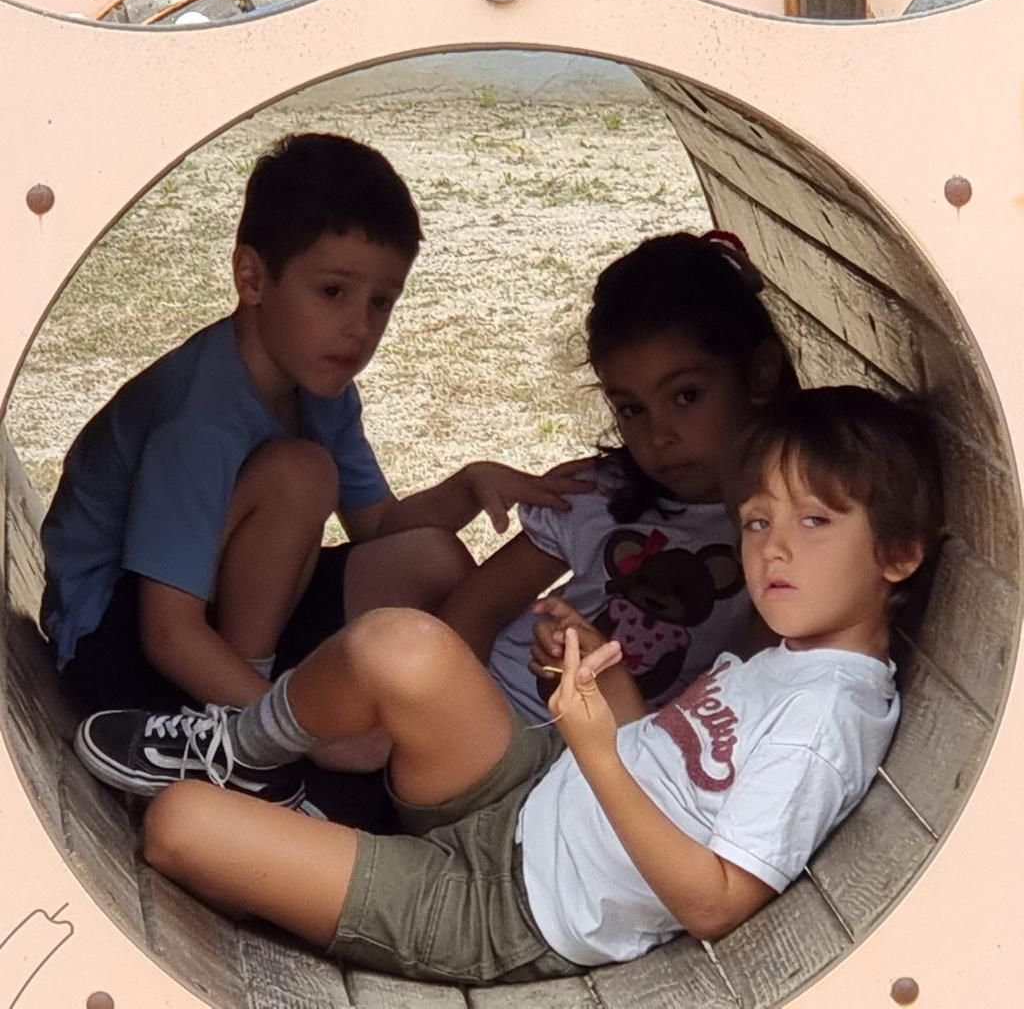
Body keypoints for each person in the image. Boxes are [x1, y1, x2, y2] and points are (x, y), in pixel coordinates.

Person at [73, 384, 944, 982]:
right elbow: (662, 760)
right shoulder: (792, 660)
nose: (773, 548)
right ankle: (246, 749)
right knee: (402, 645)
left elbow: (715, 903)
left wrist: (596, 750)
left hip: (505, 910)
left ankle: (285, 815)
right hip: (528, 785)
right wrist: (600, 673)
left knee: (178, 825)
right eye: (757, 520)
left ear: (899, 554)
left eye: (815, 521)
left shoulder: (826, 720)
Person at [40, 132, 589, 730]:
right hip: (115, 648)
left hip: (220, 613)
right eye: (333, 292)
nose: (358, 328)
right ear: (251, 278)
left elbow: (378, 529)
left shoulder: (321, 391)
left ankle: (433, 722)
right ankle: (240, 739)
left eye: (381, 302)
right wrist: (294, 736)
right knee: (301, 474)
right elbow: (167, 632)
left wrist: (467, 486)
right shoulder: (199, 417)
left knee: (433, 560)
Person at [442, 230, 798, 723]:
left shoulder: (790, 531)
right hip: (496, 712)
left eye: (686, 396)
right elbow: (472, 612)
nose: (659, 435)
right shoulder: (598, 496)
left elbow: (748, 682)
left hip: (619, 761)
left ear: (759, 374)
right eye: (631, 408)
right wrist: (448, 716)